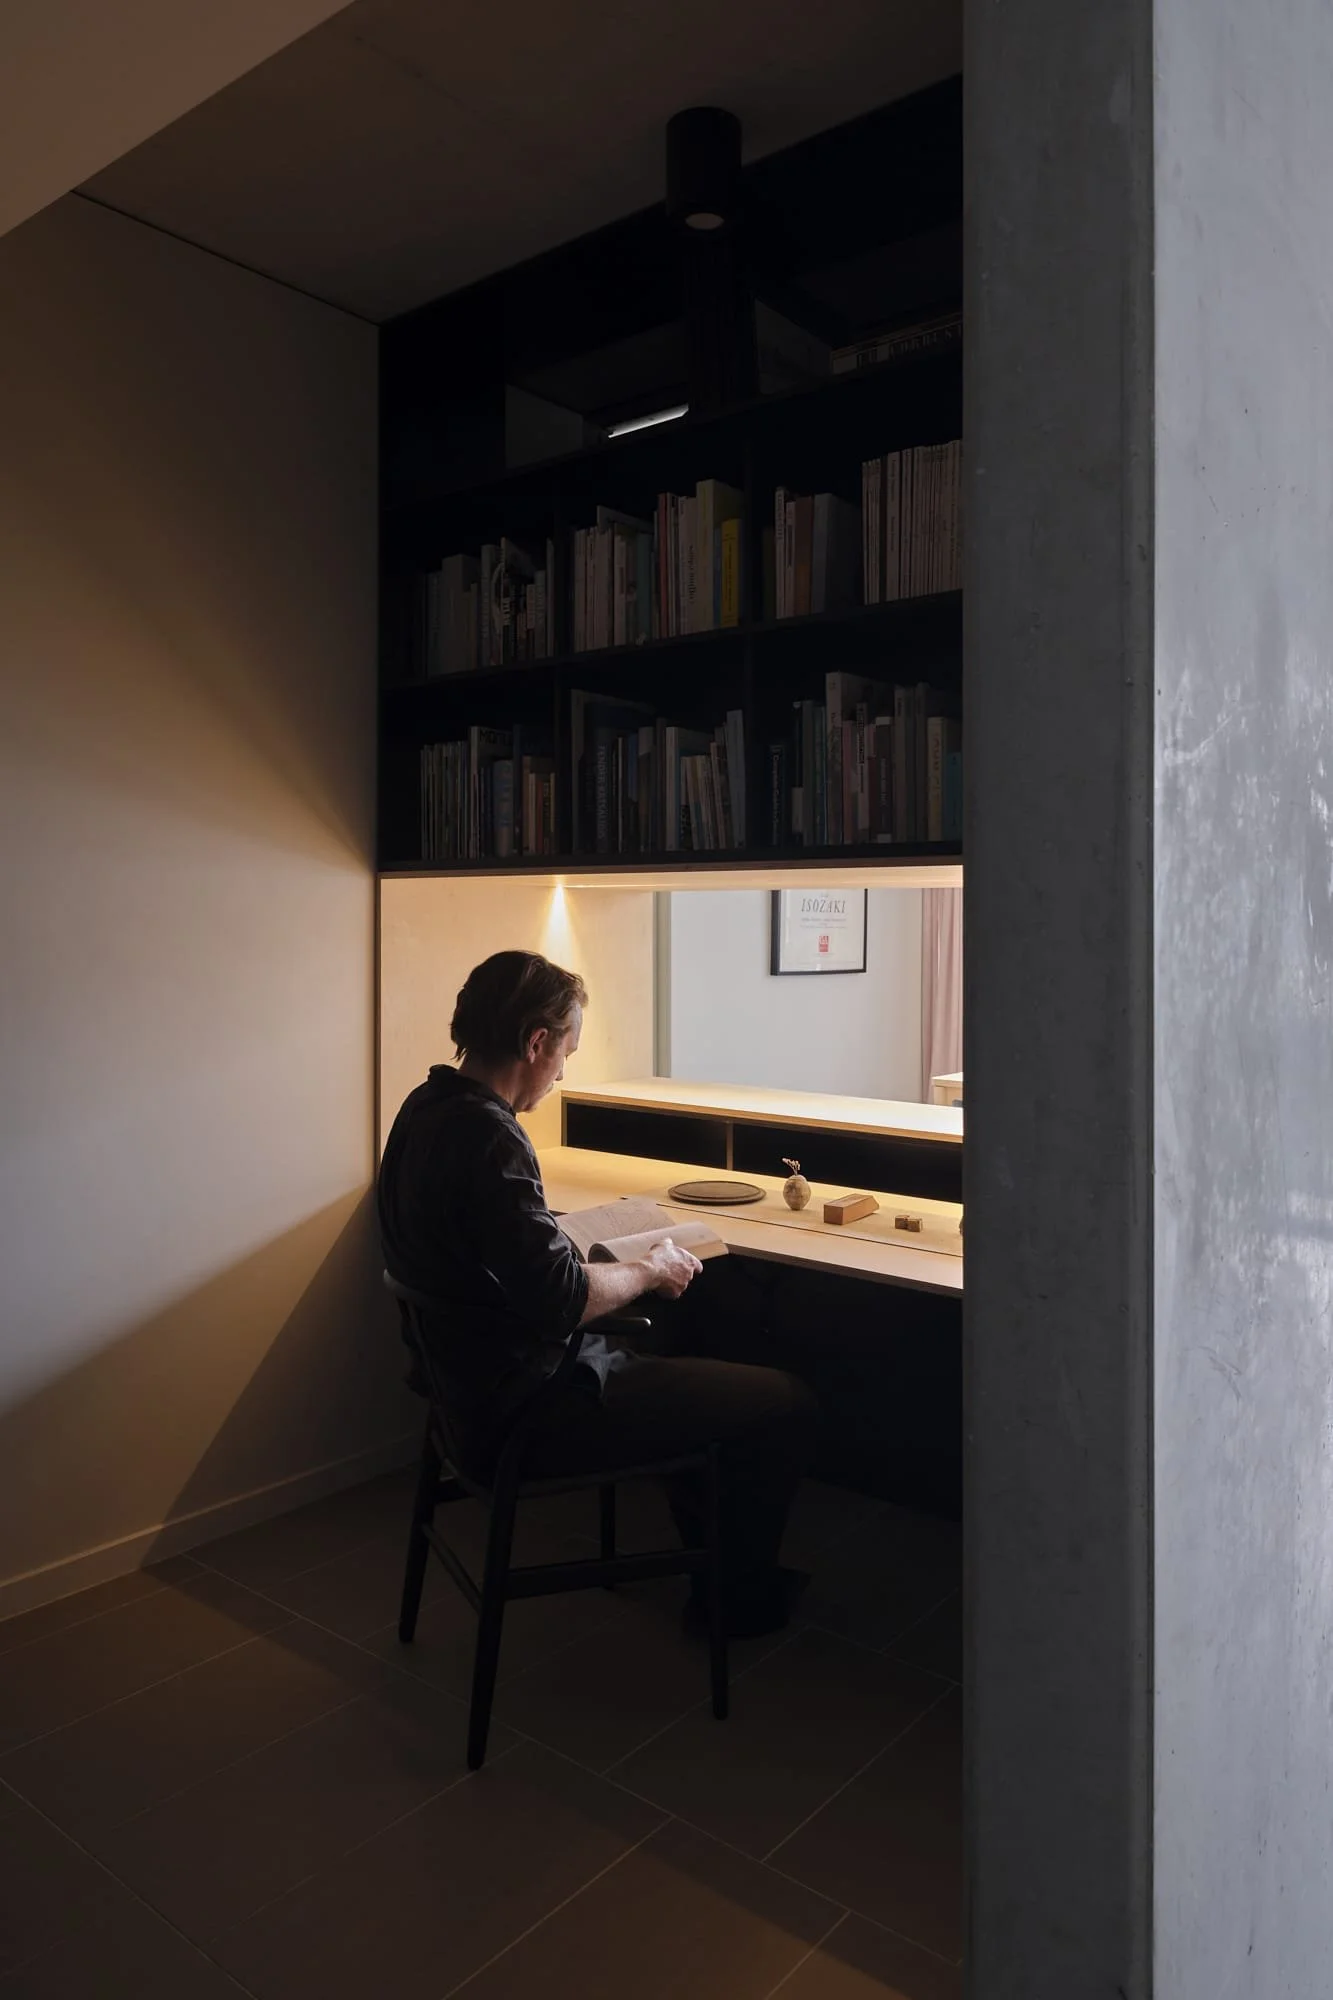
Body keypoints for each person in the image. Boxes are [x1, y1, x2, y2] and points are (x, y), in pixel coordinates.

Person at [378, 948, 818, 1637]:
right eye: (566, 1054)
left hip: (456, 1394)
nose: (561, 1073)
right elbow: (562, 1301)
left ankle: (715, 1569)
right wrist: (649, 1268)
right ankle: (735, 1601)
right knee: (781, 1400)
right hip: (527, 1408)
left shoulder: (426, 1106)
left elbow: (483, 1238)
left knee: (681, 1356)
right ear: (535, 1042)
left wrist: (554, 1234)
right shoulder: (492, 1136)